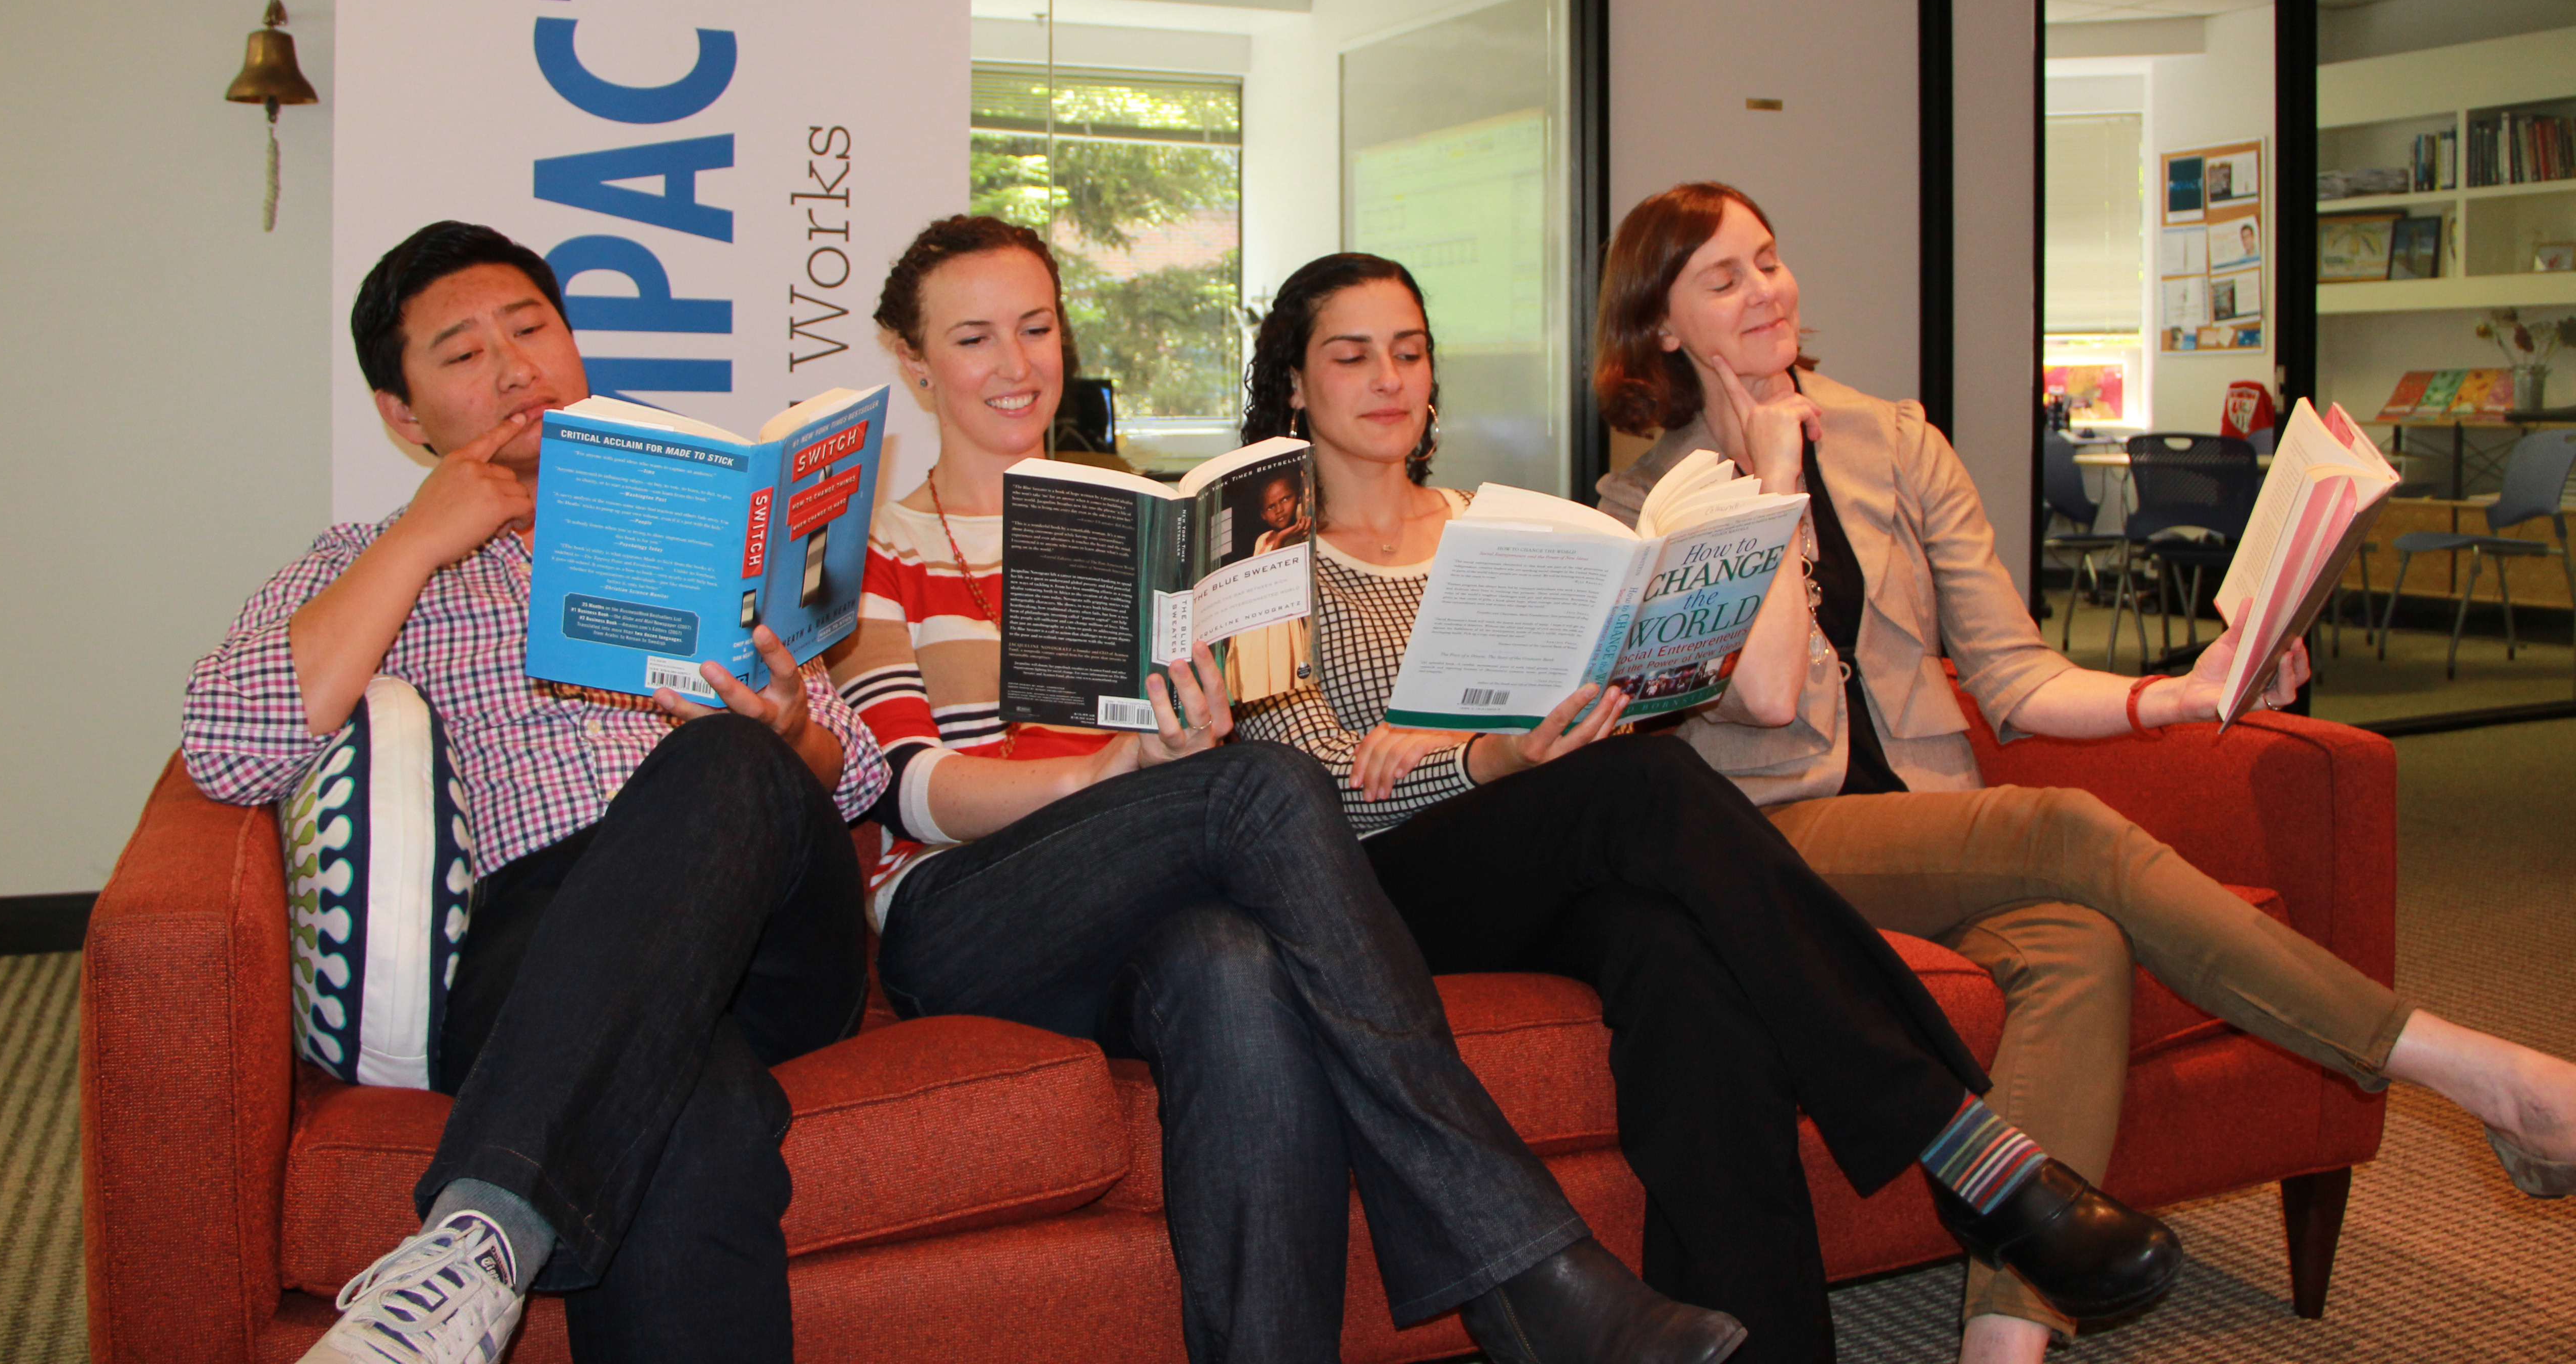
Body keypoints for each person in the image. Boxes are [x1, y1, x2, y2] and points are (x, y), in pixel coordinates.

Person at [1593, 180, 2576, 1363]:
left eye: (1769, 258)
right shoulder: (1650, 499)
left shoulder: (1896, 438)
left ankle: (2001, 1347)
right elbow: (1754, 696)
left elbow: (2011, 675)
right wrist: (1769, 488)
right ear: (1659, 325)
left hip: (1935, 823)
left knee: (2076, 941)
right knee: (2060, 824)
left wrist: (2190, 691)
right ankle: (2469, 1068)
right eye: (1723, 277)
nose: (1765, 291)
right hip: (1774, 844)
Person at [1230, 252, 2186, 1364]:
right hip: (1381, 891)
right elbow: (1307, 786)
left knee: (1679, 956)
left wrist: (1604, 697)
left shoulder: (1505, 532)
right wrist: (1483, 757)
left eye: (1410, 350)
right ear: (1295, 384)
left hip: (1558, 853)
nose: (1389, 378)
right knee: (1642, 789)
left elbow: (1592, 721)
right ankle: (1960, 1140)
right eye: (1352, 356)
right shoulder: (1271, 563)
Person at [825, 213, 1747, 1364]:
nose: (1015, 366)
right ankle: (1524, 1260)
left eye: (1035, 327)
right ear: (910, 360)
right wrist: (1113, 769)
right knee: (1261, 787)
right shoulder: (869, 546)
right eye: (972, 338)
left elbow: (1238, 727)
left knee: (1232, 965)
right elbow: (907, 786)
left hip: (1141, 907)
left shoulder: (1158, 524)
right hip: (961, 913)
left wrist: (1187, 735)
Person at [184, 222, 888, 1364]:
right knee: (689, 1111)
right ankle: (479, 1255)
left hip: (770, 931)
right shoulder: (360, 562)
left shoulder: (695, 522)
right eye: (462, 354)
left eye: (533, 330)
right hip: (539, 945)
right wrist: (418, 543)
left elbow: (855, 777)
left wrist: (790, 724)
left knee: (723, 758)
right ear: (402, 417)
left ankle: (477, 1233)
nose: (515, 368)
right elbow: (229, 745)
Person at [1252, 469, 1312, 552]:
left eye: (1285, 499)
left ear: (1299, 498)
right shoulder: (1262, 539)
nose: (1279, 510)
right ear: (1263, 515)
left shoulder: (1301, 535)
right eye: (1271, 507)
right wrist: (1281, 539)